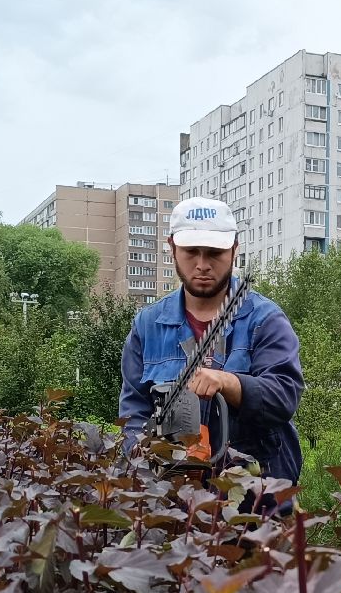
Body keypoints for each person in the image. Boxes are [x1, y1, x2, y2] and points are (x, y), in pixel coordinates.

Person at [118, 197, 304, 485]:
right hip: (171, 497)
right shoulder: (147, 326)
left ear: (234, 250)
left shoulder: (265, 321)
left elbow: (284, 396)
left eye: (214, 252)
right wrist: (143, 469)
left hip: (255, 501)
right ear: (172, 248)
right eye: (191, 251)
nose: (202, 265)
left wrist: (230, 383)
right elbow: (134, 415)